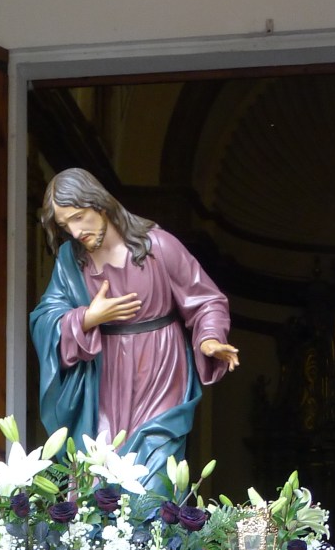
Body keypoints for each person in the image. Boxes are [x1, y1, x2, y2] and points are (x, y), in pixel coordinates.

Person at [30, 168, 239, 487]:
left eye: (79, 217)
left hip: (160, 370)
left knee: (153, 478)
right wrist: (87, 318)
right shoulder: (71, 260)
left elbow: (205, 299)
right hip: (105, 379)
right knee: (102, 479)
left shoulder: (159, 246)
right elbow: (46, 316)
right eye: (64, 225)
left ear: (100, 204)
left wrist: (209, 337)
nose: (74, 231)